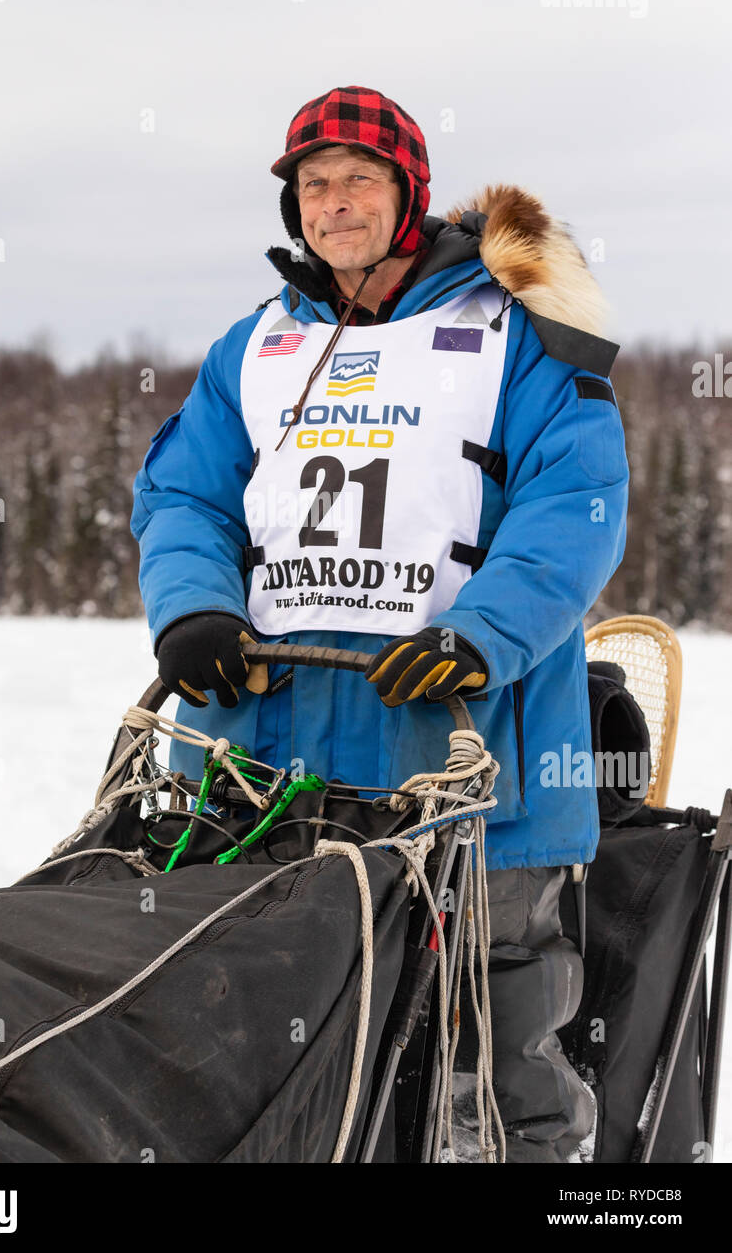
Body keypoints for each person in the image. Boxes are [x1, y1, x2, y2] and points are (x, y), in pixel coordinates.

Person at [130, 85, 629, 1162]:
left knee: (492, 1073)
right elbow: (183, 498)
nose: (333, 202)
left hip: (468, 758)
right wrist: (194, 611)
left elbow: (574, 501)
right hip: (268, 768)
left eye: (359, 178)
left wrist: (477, 636)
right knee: (256, 1056)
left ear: (410, 196)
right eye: (312, 184)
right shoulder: (255, 345)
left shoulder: (514, 336)